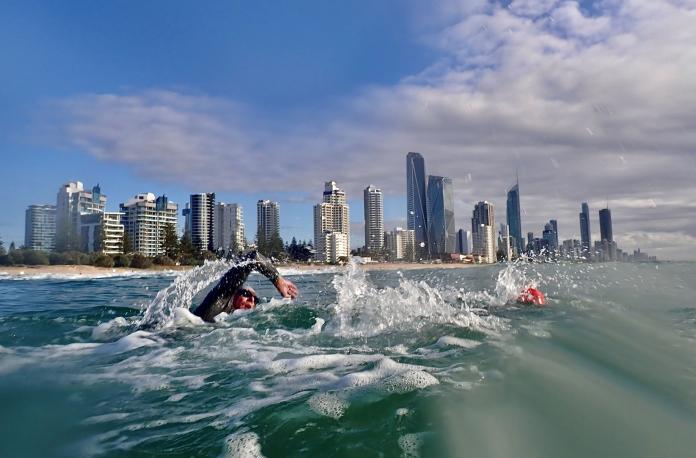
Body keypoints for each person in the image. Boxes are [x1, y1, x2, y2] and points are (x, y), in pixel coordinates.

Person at [193, 250, 298, 322]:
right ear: (234, 293)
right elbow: (253, 257)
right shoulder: (221, 299)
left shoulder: (234, 323)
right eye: (246, 294)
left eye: (255, 300)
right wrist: (279, 281)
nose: (251, 301)